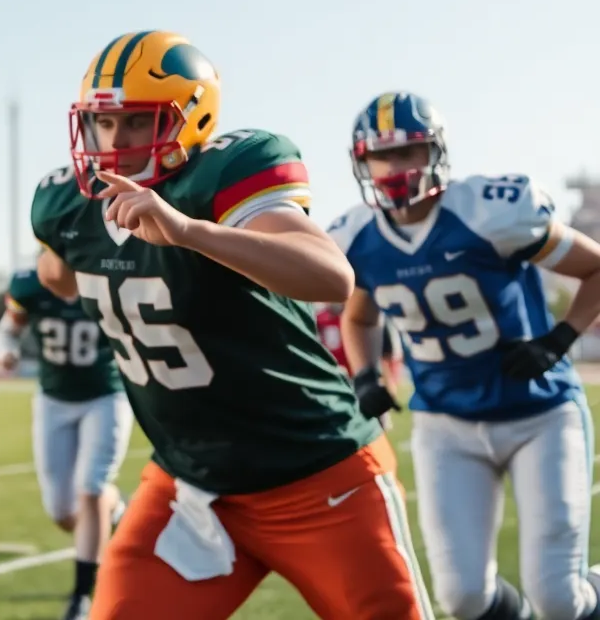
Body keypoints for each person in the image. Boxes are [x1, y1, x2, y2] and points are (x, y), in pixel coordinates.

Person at [32, 30, 434, 619]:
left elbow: (331, 276)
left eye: (138, 122)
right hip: (188, 484)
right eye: (104, 122)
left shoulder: (225, 174)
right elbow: (59, 276)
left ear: (190, 120)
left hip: (317, 475)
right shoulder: (67, 205)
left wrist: (188, 233)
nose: (116, 141)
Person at [330, 91, 600, 620]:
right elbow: (359, 317)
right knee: (463, 598)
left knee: (558, 598)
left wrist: (559, 339)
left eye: (406, 152)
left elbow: (595, 267)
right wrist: (366, 376)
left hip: (539, 415)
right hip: (446, 424)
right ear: (362, 163)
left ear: (435, 152)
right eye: (380, 156)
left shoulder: (490, 212)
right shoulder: (357, 237)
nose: (394, 168)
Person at [0, 266, 132, 620]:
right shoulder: (28, 284)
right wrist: (5, 351)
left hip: (105, 395)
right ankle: (116, 509)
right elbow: (8, 330)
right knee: (63, 512)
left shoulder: (106, 278)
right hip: (53, 400)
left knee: (91, 487)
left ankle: (81, 597)